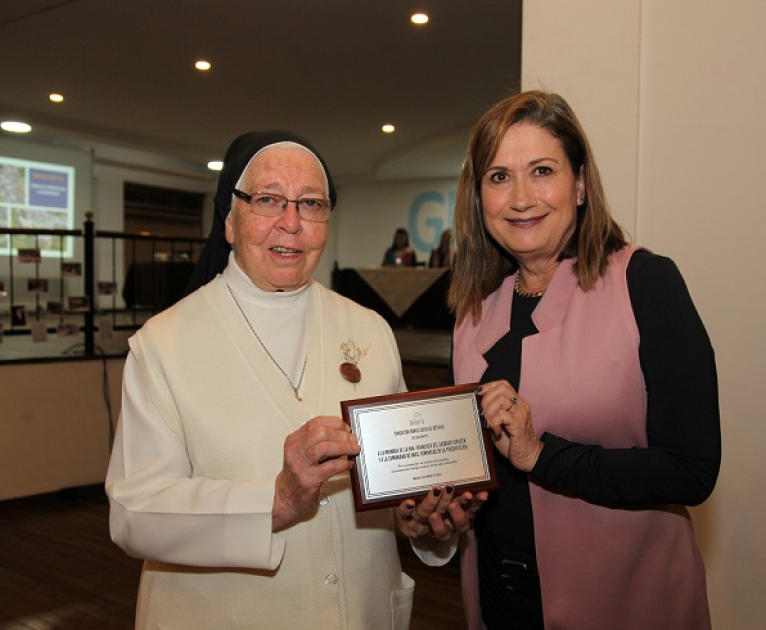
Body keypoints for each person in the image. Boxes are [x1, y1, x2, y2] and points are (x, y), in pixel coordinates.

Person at [106, 130, 482, 629]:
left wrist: (417, 520)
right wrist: (278, 500)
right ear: (230, 219)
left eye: (311, 203)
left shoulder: (369, 329)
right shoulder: (162, 346)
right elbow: (136, 514)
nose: (292, 222)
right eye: (268, 200)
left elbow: (395, 480)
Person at [447, 91, 721, 629]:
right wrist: (445, 506)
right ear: (478, 198)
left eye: (542, 170)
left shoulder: (645, 283)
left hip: (625, 603)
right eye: (499, 177)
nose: (521, 197)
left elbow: (692, 470)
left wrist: (539, 454)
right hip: (500, 601)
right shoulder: (473, 308)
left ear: (578, 184)